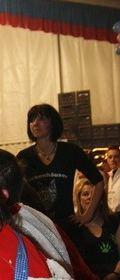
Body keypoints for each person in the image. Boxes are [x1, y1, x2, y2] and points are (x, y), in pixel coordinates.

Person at [16, 103, 104, 244]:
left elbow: (98, 180)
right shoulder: (24, 156)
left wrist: (87, 215)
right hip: (38, 228)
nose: (35, 124)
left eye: (42, 119)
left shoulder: (70, 152)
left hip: (67, 227)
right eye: (31, 120)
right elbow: (14, 189)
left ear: (53, 123)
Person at [73, 177, 120, 280]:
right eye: (85, 194)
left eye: (93, 194)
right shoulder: (74, 227)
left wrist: (116, 274)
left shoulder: (114, 222)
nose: (89, 197)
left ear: (101, 198)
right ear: (79, 199)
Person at [106, 144, 120, 213]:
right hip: (112, 215)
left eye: (116, 157)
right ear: (107, 160)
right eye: (110, 157)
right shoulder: (110, 176)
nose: (113, 160)